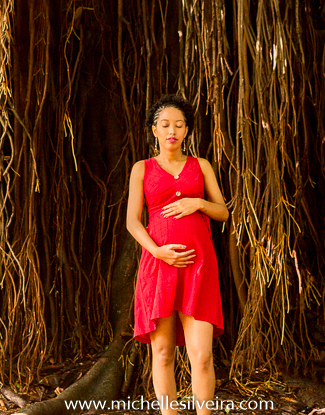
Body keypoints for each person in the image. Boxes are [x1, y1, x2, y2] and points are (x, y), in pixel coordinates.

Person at [126, 94, 229, 415]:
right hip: (159, 266)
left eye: (179, 125)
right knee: (163, 353)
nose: (172, 131)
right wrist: (158, 251)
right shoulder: (142, 169)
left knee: (202, 355)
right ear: (154, 130)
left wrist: (198, 203)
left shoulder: (201, 166)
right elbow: (132, 221)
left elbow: (223, 211)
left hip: (199, 266)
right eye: (165, 125)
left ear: (187, 130)